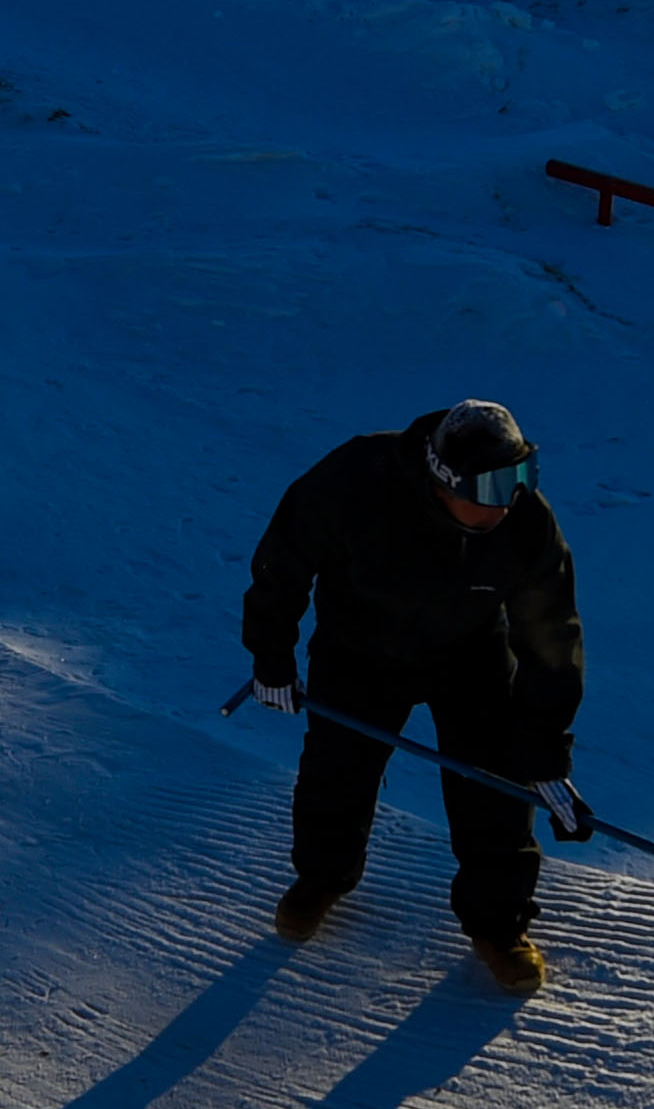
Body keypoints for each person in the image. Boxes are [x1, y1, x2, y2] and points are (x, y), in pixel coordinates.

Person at [242, 397, 589, 993]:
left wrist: (546, 752)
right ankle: (322, 878)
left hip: (470, 654)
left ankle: (498, 924)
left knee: (496, 790)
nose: (509, 500)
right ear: (443, 482)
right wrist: (271, 659)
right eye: (493, 488)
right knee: (337, 773)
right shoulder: (356, 480)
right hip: (359, 648)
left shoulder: (524, 521)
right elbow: (282, 564)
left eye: (520, 478)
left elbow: (552, 637)